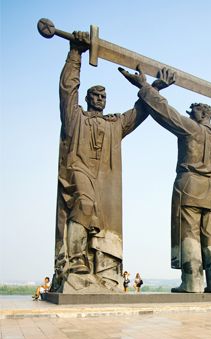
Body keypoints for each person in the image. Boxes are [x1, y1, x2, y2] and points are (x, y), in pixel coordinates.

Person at [119, 67, 211, 293]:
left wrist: (146, 86)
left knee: (189, 234)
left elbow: (165, 112)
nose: (190, 116)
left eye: (193, 113)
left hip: (189, 185)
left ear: (200, 115)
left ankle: (192, 283)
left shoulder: (192, 130)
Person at [52, 32, 148, 293]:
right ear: (87, 98)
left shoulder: (114, 124)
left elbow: (138, 113)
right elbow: (67, 90)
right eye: (95, 95)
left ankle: (104, 270)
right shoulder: (75, 118)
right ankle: (74, 263)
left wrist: (151, 89)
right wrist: (75, 53)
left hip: (103, 178)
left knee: (104, 217)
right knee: (84, 203)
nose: (100, 99)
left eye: (103, 97)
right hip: (78, 168)